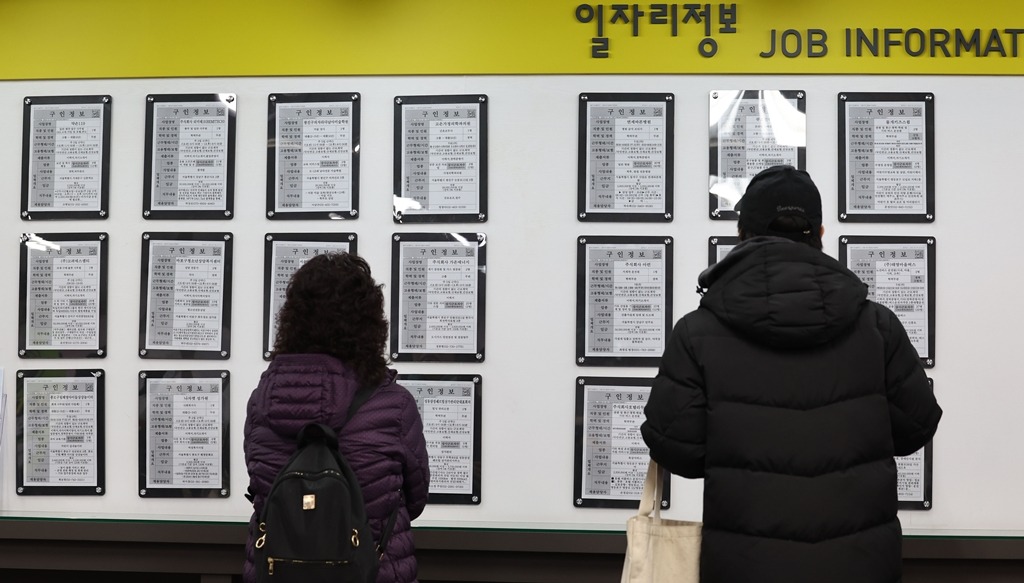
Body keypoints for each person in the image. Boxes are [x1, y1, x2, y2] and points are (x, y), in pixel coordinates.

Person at [641, 165, 942, 583]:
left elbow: (677, 450)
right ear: (819, 234)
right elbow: (915, 429)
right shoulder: (878, 327)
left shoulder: (697, 332)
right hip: (861, 565)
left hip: (744, 565)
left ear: (741, 235)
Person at [244, 252, 430, 583]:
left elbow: (260, 487)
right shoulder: (393, 405)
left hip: (279, 572)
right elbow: (415, 499)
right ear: (371, 323)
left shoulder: (262, 401)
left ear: (292, 320)